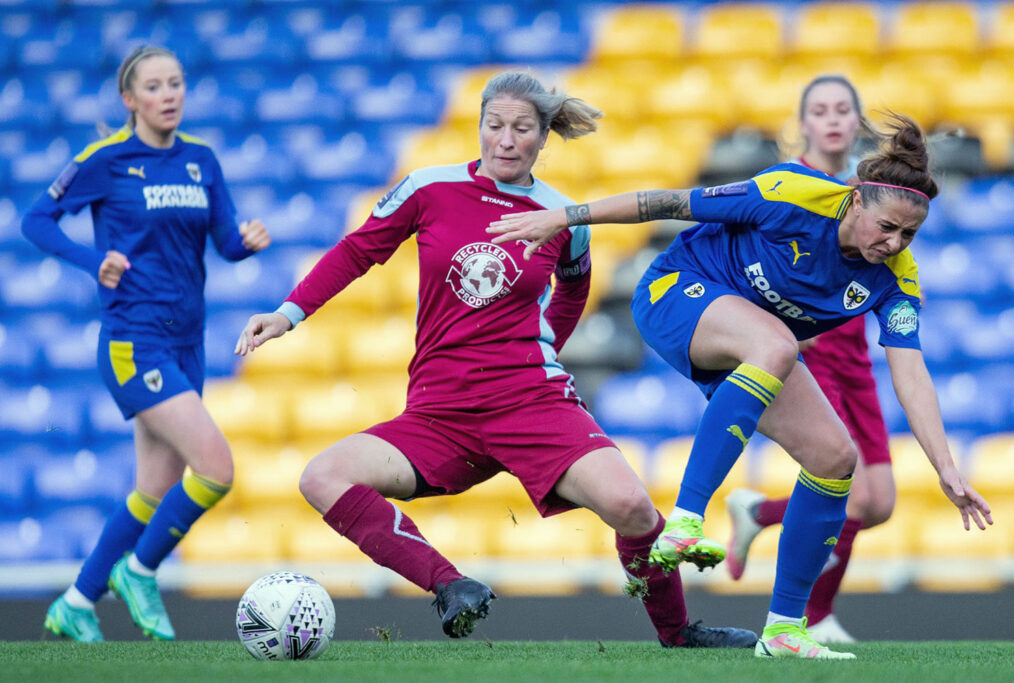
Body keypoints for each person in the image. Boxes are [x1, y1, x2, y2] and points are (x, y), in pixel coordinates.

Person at [235, 70, 755, 648]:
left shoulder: (561, 215)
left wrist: (548, 351)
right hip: (440, 411)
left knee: (633, 507)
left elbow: (575, 286)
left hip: (531, 402)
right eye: (495, 125)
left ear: (542, 138)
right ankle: (449, 584)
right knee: (322, 476)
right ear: (480, 127)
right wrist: (288, 313)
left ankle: (678, 634)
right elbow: (359, 251)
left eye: (522, 128)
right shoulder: (427, 188)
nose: (506, 139)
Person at [486, 112, 993, 660]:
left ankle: (783, 630)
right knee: (777, 345)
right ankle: (685, 518)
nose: (894, 243)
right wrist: (564, 217)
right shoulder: (792, 193)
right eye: (886, 227)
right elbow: (667, 204)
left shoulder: (896, 278)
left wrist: (946, 468)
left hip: (753, 347)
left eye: (908, 235)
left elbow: (910, 372)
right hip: (674, 294)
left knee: (835, 456)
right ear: (854, 199)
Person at [24, 46, 271, 642]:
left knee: (153, 489)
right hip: (135, 341)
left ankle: (78, 603)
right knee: (215, 468)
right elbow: (37, 220)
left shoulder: (201, 161)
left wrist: (247, 242)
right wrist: (93, 261)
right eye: (155, 86)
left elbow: (224, 243)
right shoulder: (107, 160)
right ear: (130, 100)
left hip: (187, 342)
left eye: (176, 83)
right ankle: (139, 571)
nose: (169, 94)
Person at [724, 74, 894, 644]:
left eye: (843, 108)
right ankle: (813, 617)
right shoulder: (785, 185)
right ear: (804, 123)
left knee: (881, 504)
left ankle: (759, 514)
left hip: (857, 361)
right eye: (820, 109)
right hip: (813, 355)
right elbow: (742, 261)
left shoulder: (873, 192)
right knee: (853, 490)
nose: (833, 119)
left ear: (857, 120)